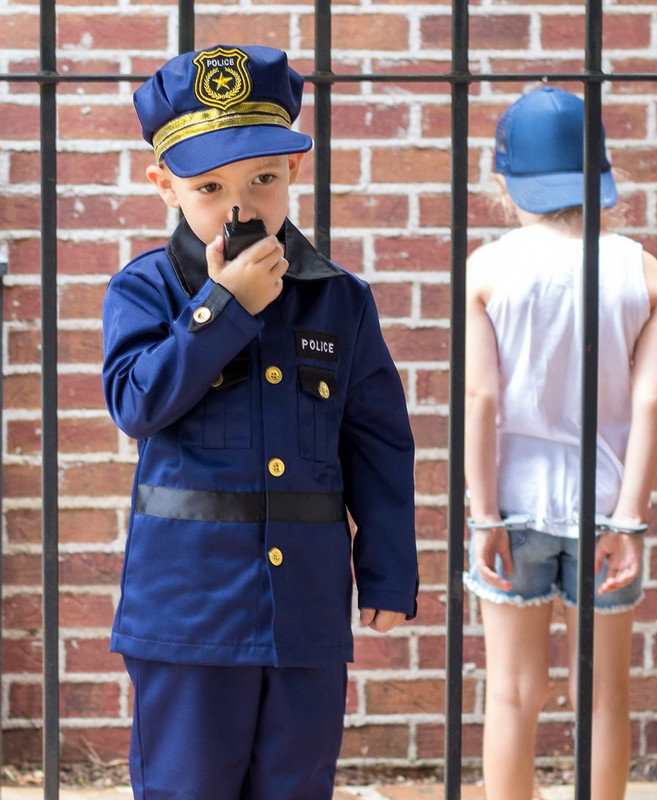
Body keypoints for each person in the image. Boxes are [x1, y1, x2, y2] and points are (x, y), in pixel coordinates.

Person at [101, 45, 418, 800]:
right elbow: (136, 403)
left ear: (294, 173)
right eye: (209, 186)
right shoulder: (145, 290)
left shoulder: (341, 300)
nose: (239, 206)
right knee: (188, 788)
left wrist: (387, 570)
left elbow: (376, 441)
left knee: (296, 786)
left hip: (304, 611)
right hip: (187, 615)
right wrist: (221, 310)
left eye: (263, 179)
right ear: (164, 186)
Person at [464, 86, 657, 800]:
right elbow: (651, 401)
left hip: (513, 501)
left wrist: (484, 514)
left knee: (514, 691)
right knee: (604, 694)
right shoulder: (643, 272)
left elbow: (482, 399)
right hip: (606, 506)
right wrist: (630, 520)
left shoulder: (488, 270)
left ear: (503, 181)